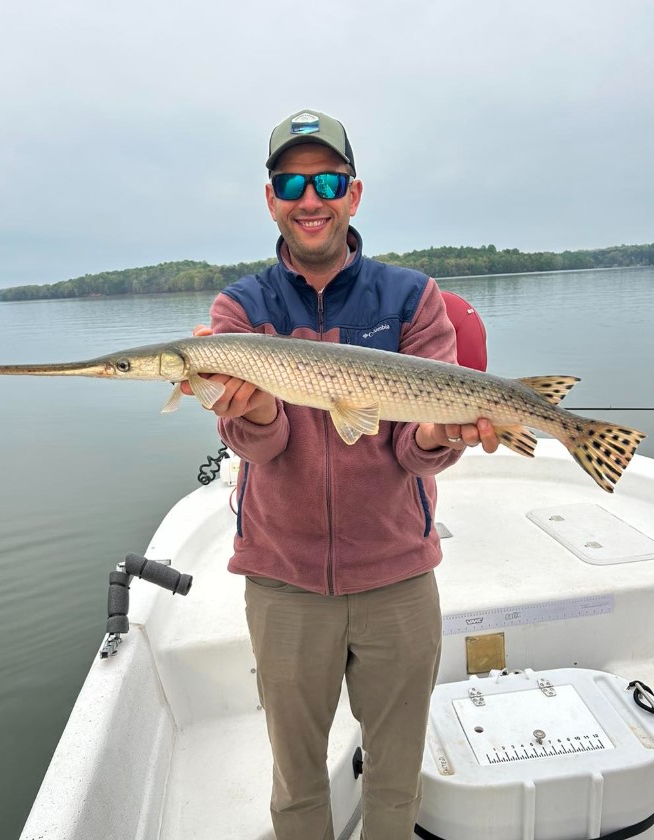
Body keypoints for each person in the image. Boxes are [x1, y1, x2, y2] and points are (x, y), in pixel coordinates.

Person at [183, 109, 498, 840]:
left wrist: (434, 435)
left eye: (326, 179)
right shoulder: (241, 309)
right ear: (271, 199)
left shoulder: (410, 297)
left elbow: (418, 452)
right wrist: (255, 414)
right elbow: (257, 448)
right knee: (295, 789)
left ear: (352, 194)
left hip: (396, 577)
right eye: (291, 181)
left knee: (395, 783)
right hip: (283, 580)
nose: (309, 196)